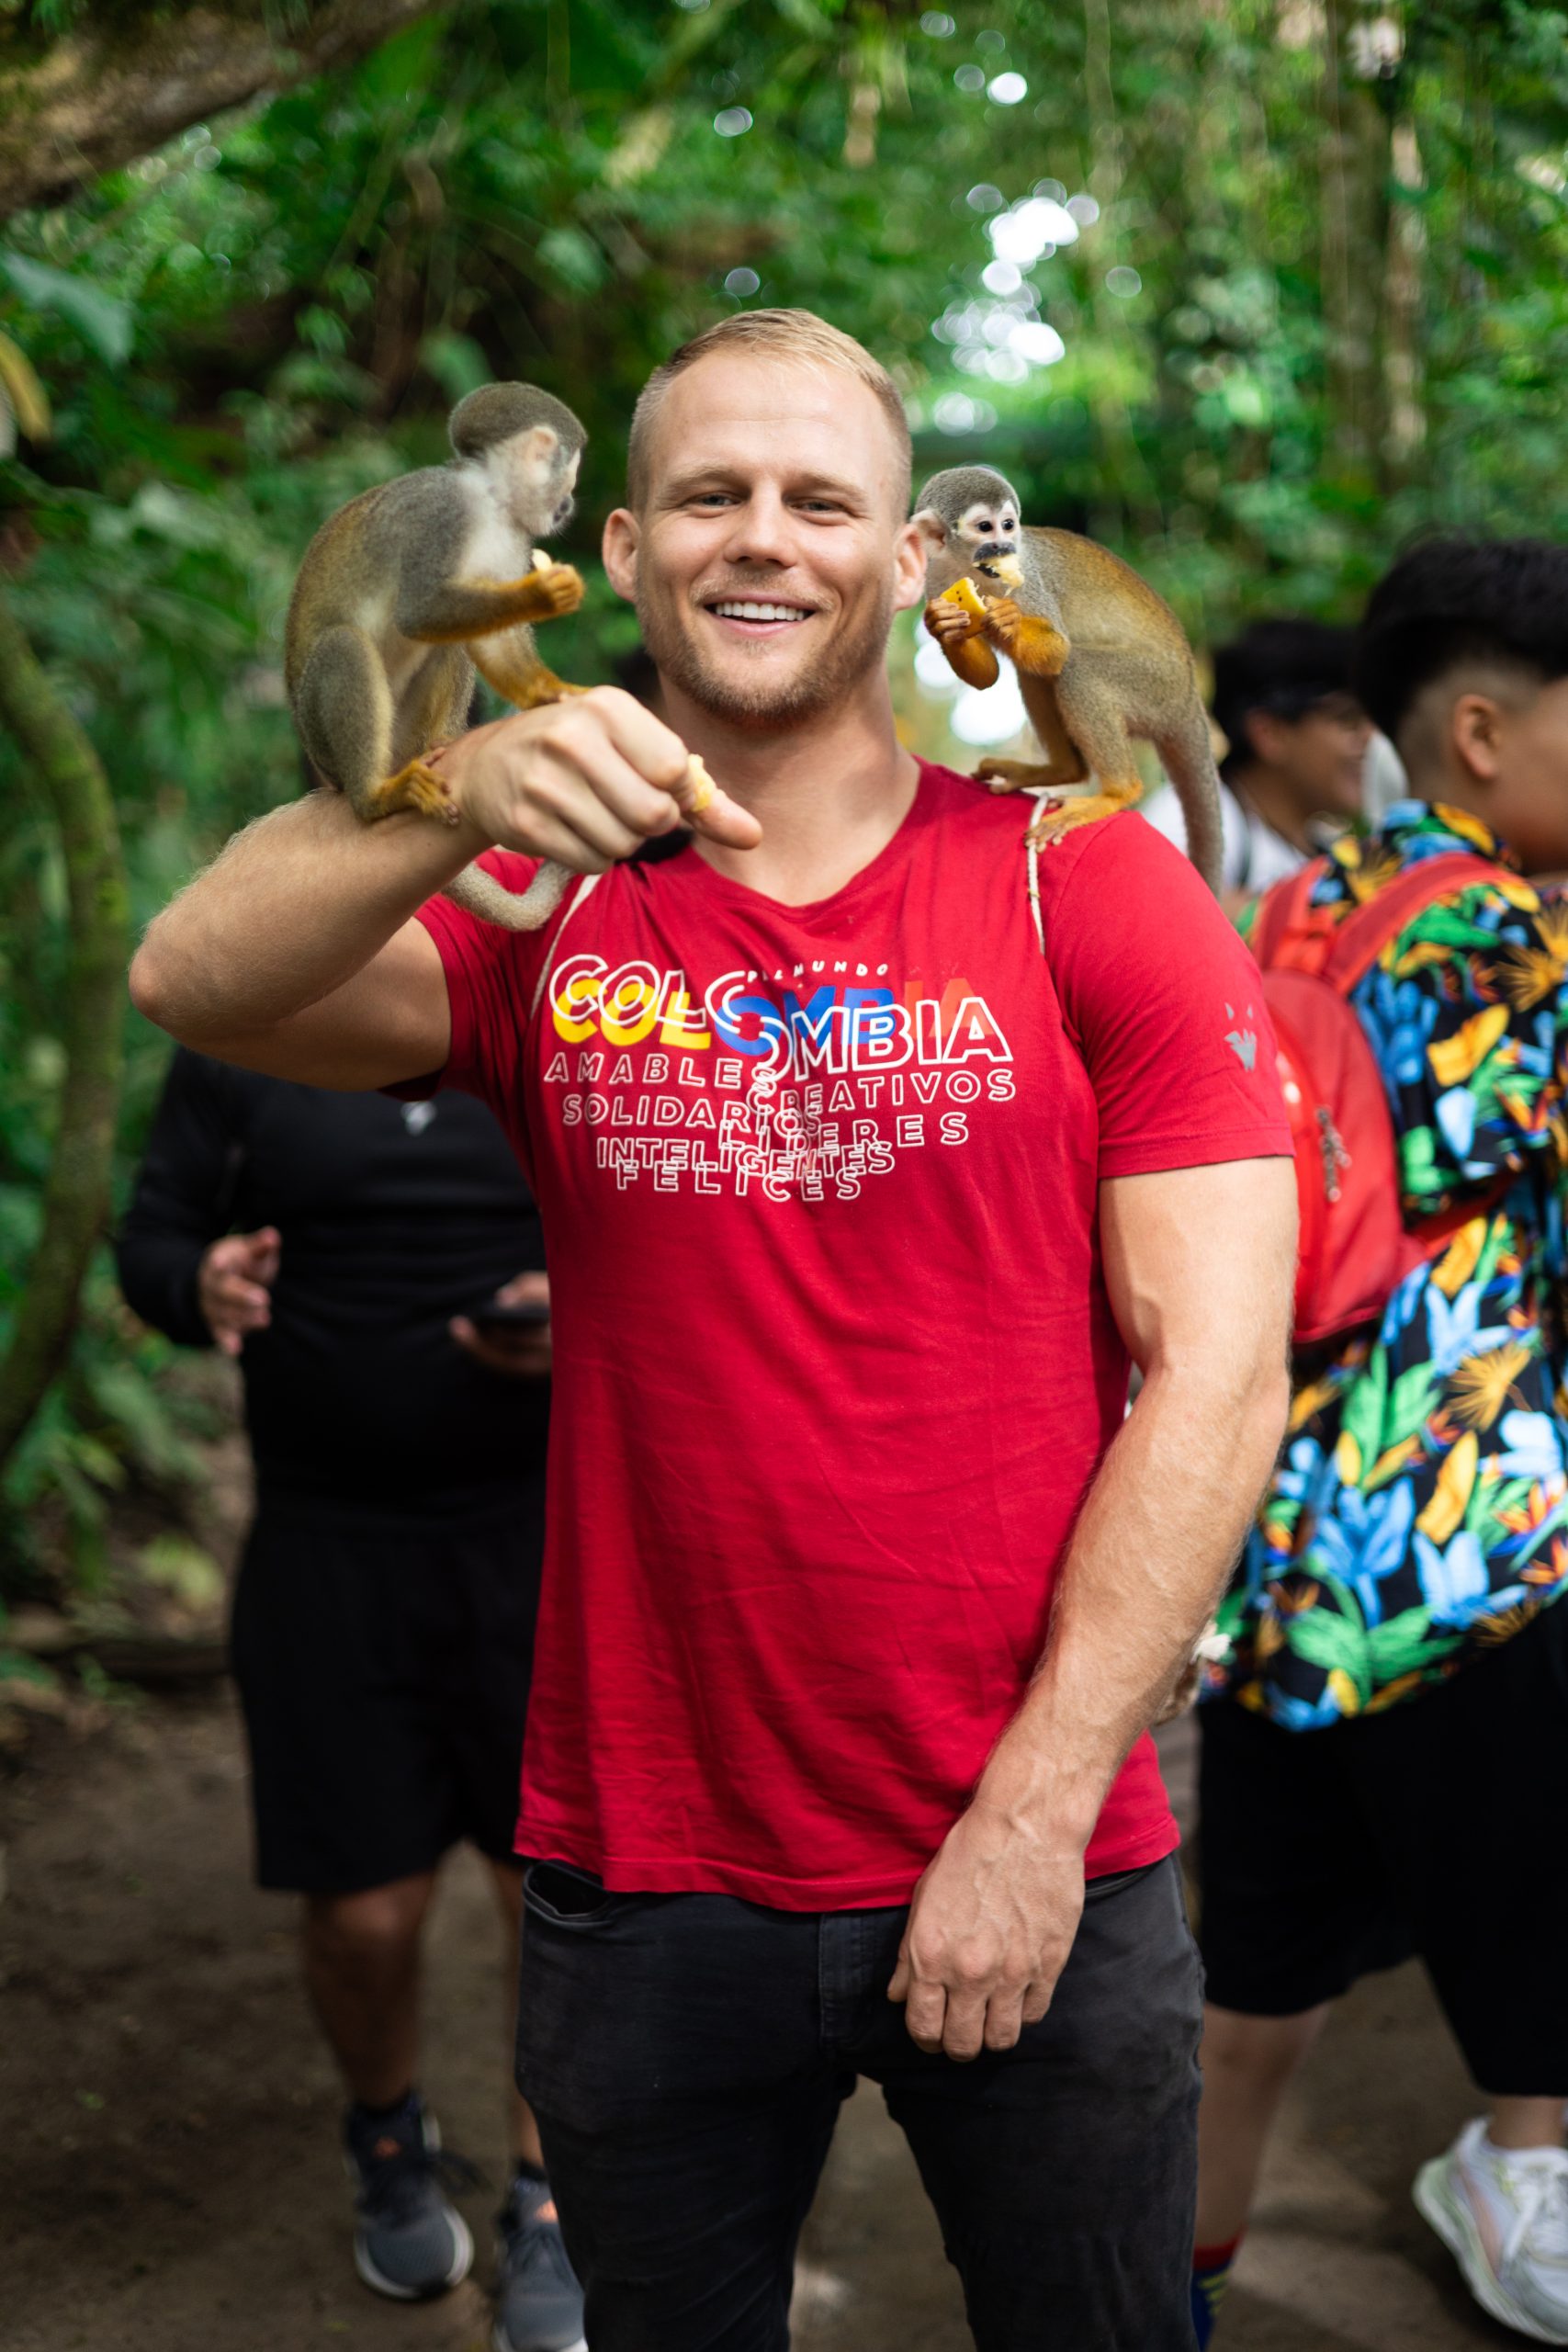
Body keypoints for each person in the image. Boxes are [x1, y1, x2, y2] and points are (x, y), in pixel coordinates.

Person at [126, 308, 1297, 2351]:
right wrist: (448, 788)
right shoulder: (542, 898)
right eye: (710, 495)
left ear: (907, 560)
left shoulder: (1080, 884)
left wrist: (1032, 1816)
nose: (763, 537)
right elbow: (197, 978)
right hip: (643, 1863)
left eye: (820, 500)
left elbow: (1218, 1370)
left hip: (1034, 1836)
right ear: (626, 547)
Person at [1191, 537, 1568, 2346]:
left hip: (1276, 1533)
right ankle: (1524, 2172)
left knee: (1255, 1968)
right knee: (1534, 1923)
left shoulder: (1293, 905)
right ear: (1480, 732)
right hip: (1461, 1531)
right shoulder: (1502, 936)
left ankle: (1163, 2280)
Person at [116, 1052, 585, 2352]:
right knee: (366, 1913)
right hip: (328, 1546)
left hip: (543, 1535)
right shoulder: (254, 1028)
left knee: (551, 1888)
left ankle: (550, 2196)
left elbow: (677, 1230)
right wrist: (199, 1282)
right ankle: (386, 2135)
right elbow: (151, 1242)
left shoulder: (560, 1000)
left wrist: (577, 1307)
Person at [1144, 616, 1372, 898]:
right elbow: (1156, 907)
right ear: (1270, 733)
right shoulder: (1188, 821)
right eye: (1348, 720)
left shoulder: (1319, 847)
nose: (1370, 740)